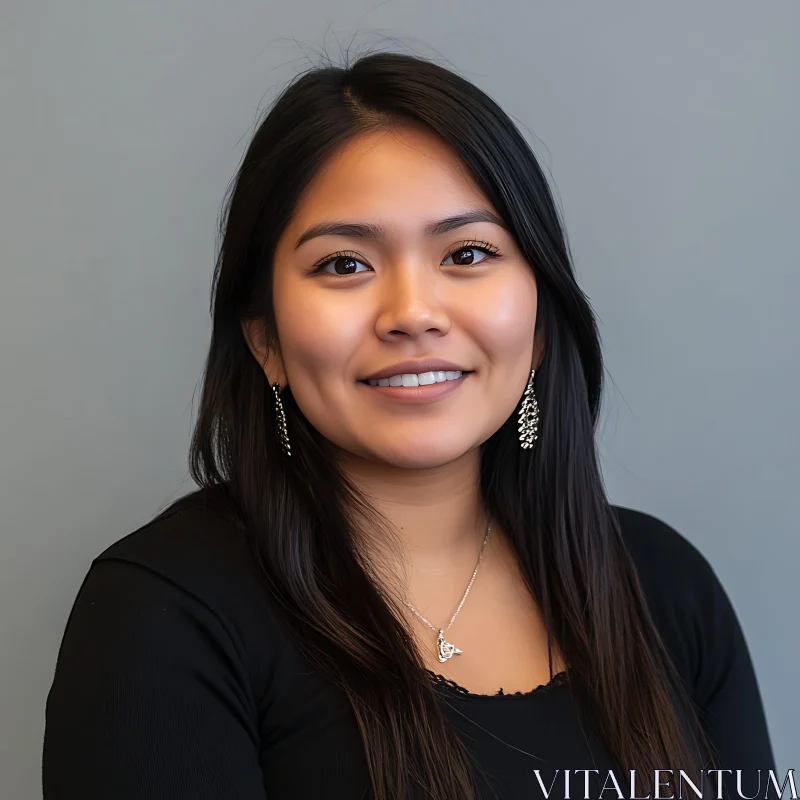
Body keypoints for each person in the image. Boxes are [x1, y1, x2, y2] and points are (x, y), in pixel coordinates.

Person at [42, 51, 776, 800]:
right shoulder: (162, 616)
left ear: (539, 321)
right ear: (265, 338)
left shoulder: (666, 589)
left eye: (467, 253)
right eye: (344, 265)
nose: (413, 314)